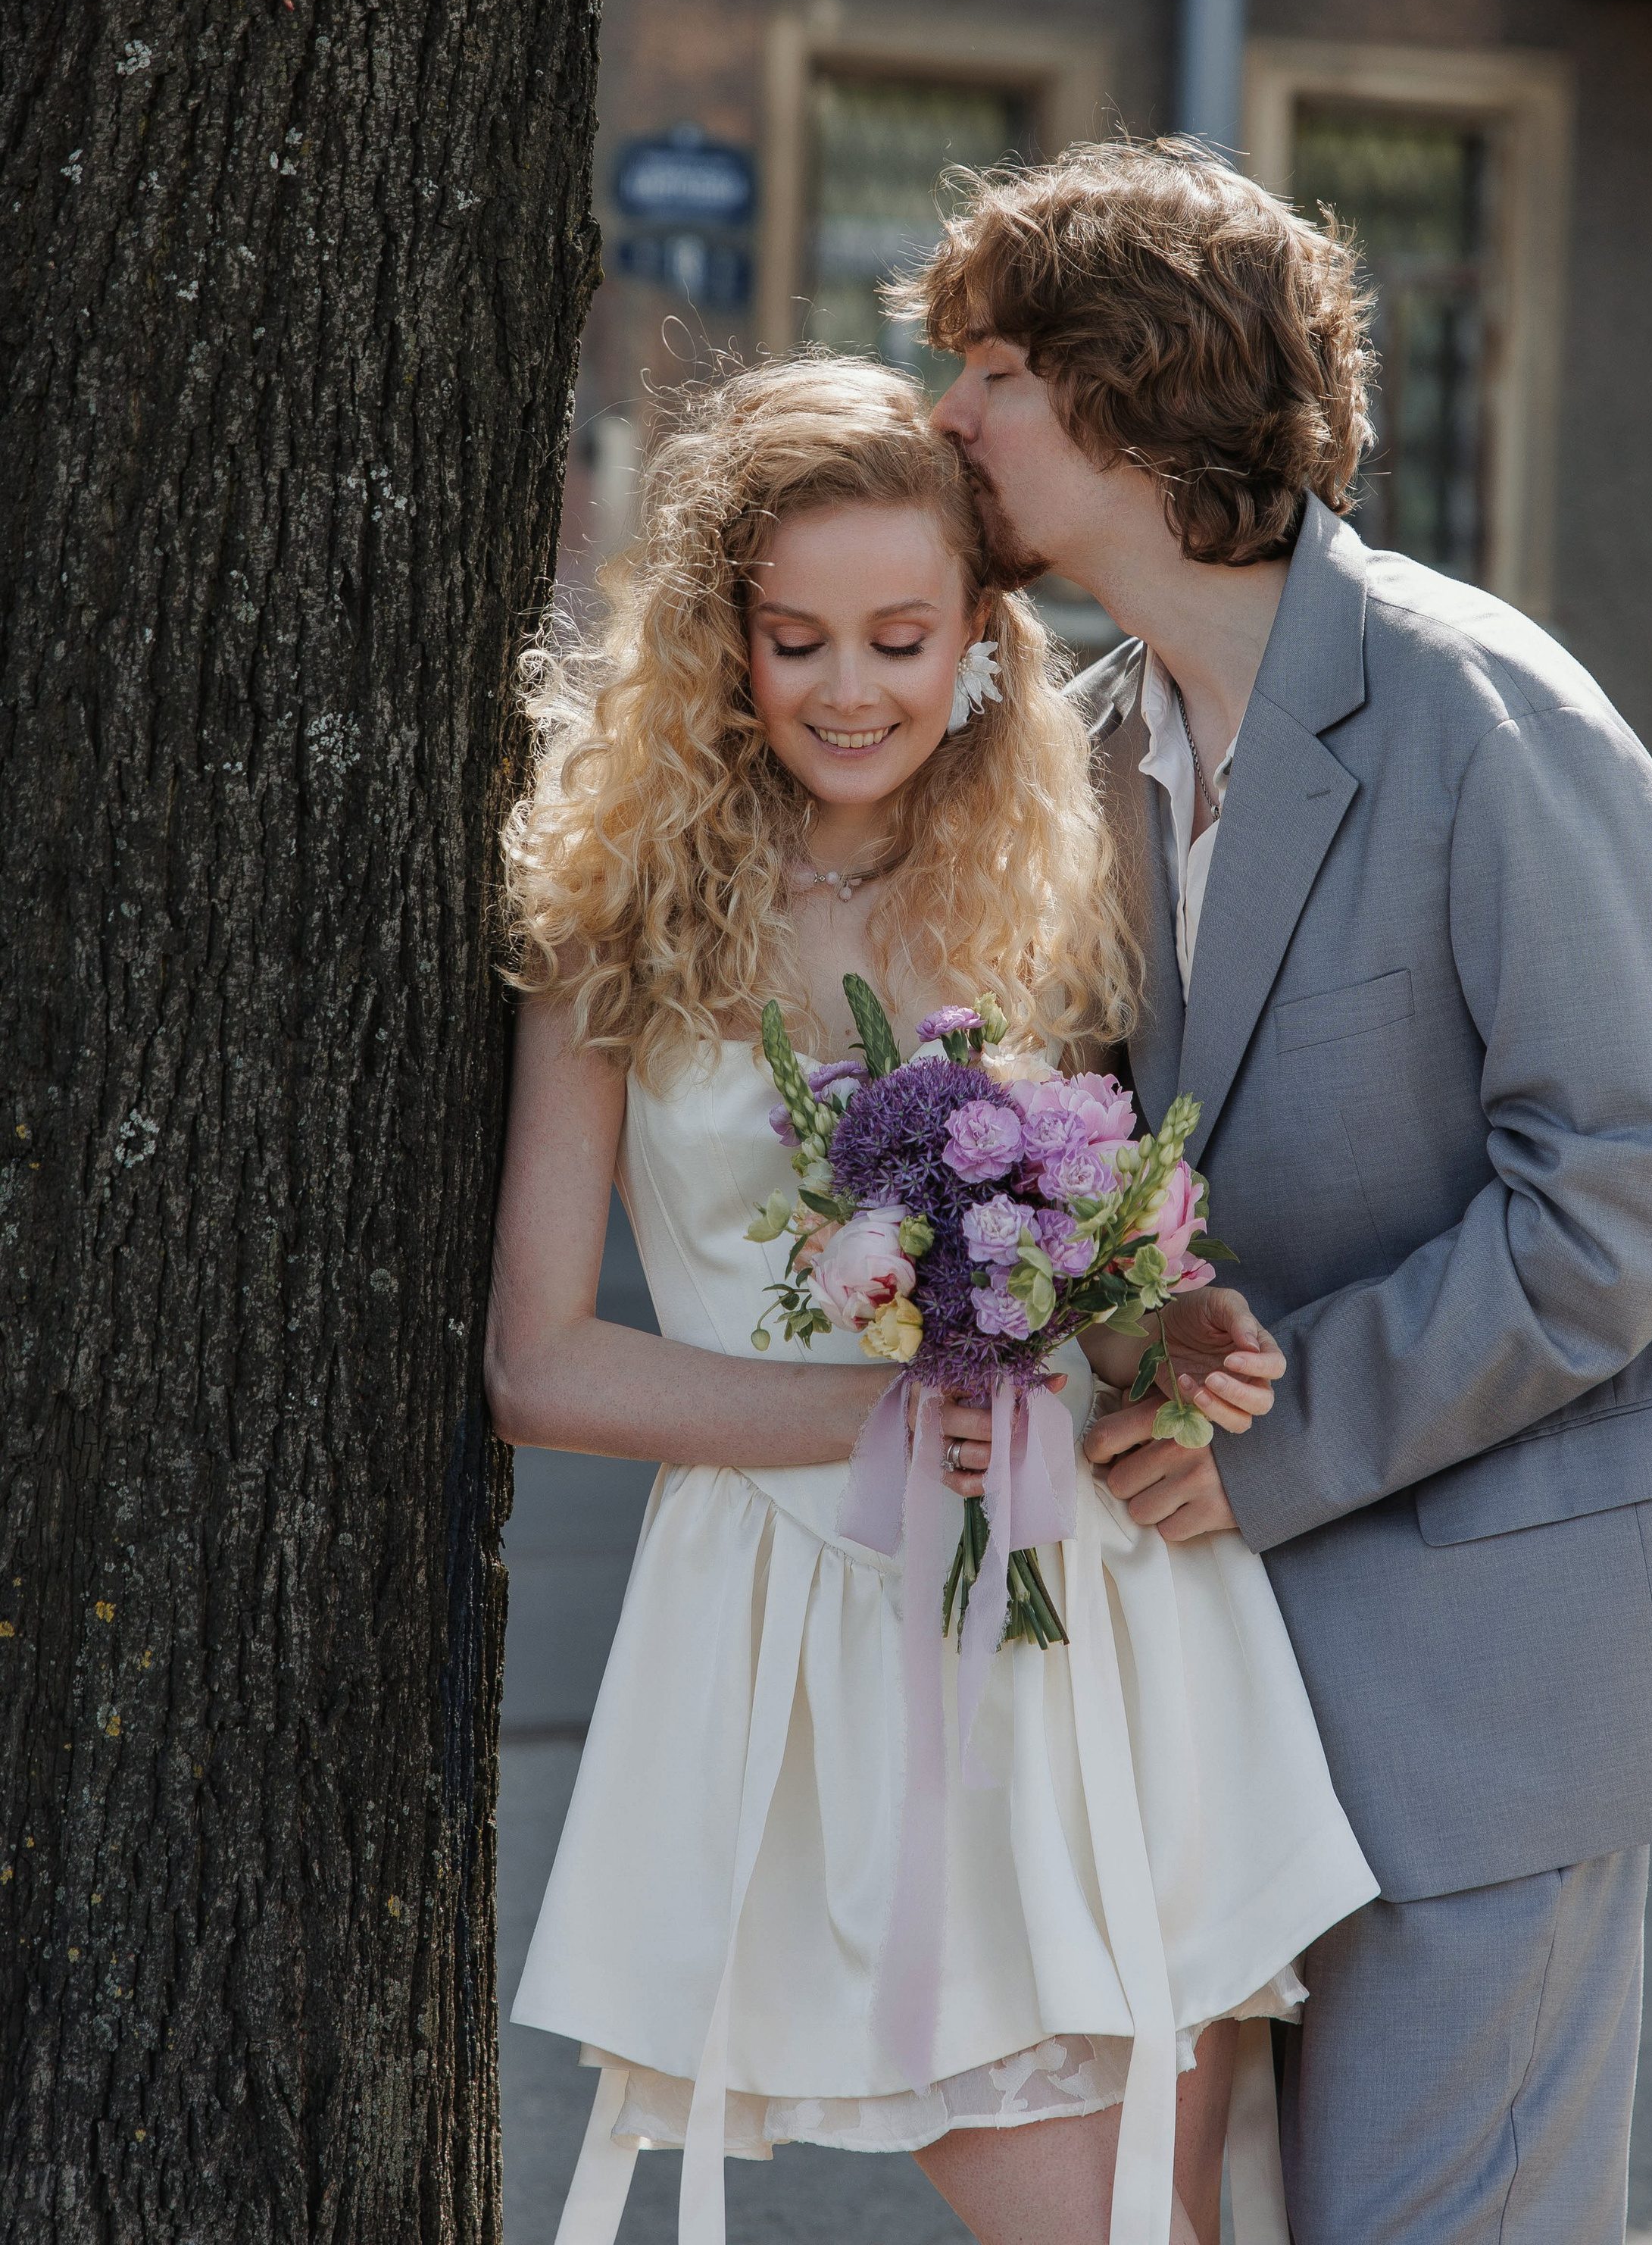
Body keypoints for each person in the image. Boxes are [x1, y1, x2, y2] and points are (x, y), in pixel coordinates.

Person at [918, 136, 1652, 2245]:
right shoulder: (1109, 746)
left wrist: (1265, 1443)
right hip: (1227, 1694)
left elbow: (1639, 1190)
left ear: (1124, 391)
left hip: (1496, 1681)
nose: (947, 416)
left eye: (990, 366)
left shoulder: (1484, 709)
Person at [489, 358, 1377, 2245]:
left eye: (899, 635)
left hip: (1115, 1623)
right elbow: (537, 1365)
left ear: (980, 631)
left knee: (1186, 2217)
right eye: (795, 638)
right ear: (721, 639)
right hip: (820, 1624)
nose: (848, 688)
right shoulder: (614, 918)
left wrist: (1164, 1335)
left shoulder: (1044, 875)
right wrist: (877, 1417)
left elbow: (1079, 1280)